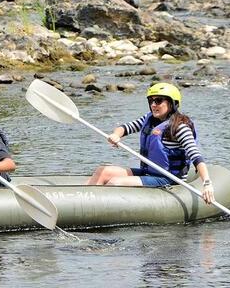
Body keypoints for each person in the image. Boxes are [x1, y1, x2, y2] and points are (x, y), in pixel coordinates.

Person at [86, 82, 215, 204]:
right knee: (103, 171)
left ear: (172, 104)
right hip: (148, 173)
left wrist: (207, 184)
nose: (153, 105)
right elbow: (126, 127)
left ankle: (97, 209)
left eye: (158, 101)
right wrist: (116, 134)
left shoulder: (180, 127)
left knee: (115, 182)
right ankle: (86, 202)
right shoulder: (149, 119)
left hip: (168, 179)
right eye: (151, 101)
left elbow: (195, 156)